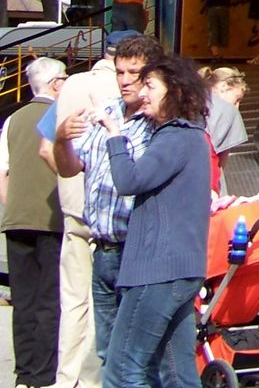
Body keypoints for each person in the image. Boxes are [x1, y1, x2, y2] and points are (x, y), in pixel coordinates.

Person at [53, 35, 190, 386]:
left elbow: (140, 180)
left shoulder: (161, 123)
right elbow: (70, 168)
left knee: (140, 358)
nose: (125, 80)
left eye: (134, 73)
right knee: (107, 351)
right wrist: (61, 140)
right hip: (104, 249)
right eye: (120, 72)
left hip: (139, 251)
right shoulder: (106, 110)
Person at [98, 56, 211, 388]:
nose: (141, 92)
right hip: (181, 269)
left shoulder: (175, 136)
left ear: (174, 91)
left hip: (157, 270)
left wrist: (115, 136)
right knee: (178, 373)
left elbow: (129, 180)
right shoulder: (191, 137)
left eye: (149, 85)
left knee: (123, 370)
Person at [41, 57, 115, 388]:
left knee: (72, 299)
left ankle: (65, 376)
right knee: (102, 299)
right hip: (105, 210)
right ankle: (91, 378)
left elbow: (46, 148)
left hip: (71, 206)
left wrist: (68, 179)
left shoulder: (70, 86)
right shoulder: (126, 89)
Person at [0, 57, 66, 388]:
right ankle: (43, 374)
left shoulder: (13, 119)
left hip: (16, 219)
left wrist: (12, 205)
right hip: (51, 219)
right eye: (64, 77)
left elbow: (0, 171)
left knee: (23, 301)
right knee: (49, 300)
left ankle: (23, 372)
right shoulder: (61, 116)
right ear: (55, 84)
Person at [201, 67, 250, 173]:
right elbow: (220, 165)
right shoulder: (226, 115)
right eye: (236, 100)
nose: (237, 107)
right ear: (223, 87)